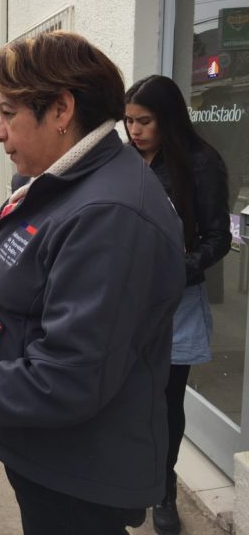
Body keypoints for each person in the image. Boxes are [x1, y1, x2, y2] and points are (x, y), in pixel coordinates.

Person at [0, 31, 186, 535]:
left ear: (62, 110)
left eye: (8, 113)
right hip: (47, 450)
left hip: (79, 471)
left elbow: (67, 380)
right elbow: (32, 256)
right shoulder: (65, 178)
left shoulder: (109, 214)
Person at [124, 75, 231, 535]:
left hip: (176, 302)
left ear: (168, 119)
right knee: (126, 399)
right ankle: (129, 485)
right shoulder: (123, 162)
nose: (134, 131)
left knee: (167, 403)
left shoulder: (202, 163)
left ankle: (163, 490)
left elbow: (218, 237)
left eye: (144, 121)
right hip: (124, 301)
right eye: (128, 122)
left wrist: (176, 271)